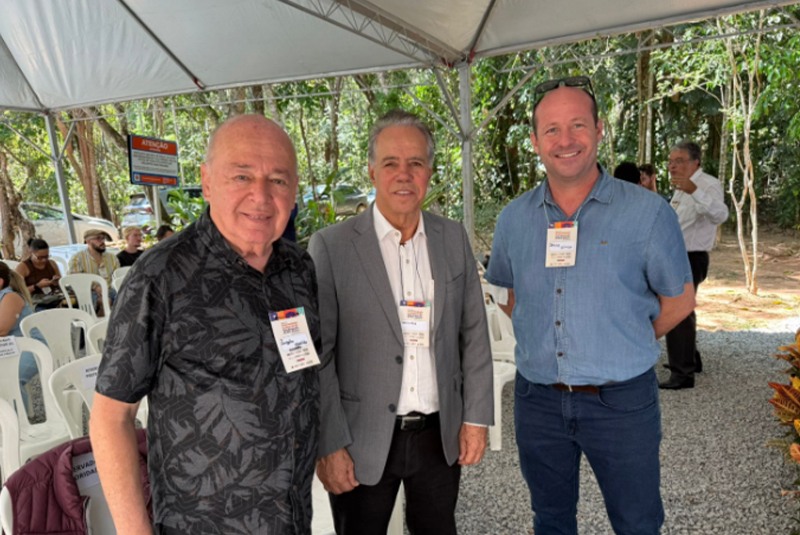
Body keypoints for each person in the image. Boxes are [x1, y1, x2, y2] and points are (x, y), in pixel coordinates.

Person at [90, 114, 320, 535]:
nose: (261, 196)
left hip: (292, 518)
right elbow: (110, 418)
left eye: (278, 180)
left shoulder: (299, 269)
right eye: (242, 176)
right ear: (207, 181)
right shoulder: (160, 276)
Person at [485, 77, 695, 535]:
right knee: (551, 522)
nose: (565, 140)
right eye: (552, 129)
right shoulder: (513, 219)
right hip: (538, 402)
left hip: (623, 402)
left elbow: (680, 300)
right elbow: (509, 296)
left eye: (578, 125)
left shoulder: (648, 213)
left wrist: (625, 337)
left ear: (599, 129)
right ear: (535, 141)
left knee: (637, 523)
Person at [309, 109, 493, 535]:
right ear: (372, 171)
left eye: (416, 163)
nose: (404, 174)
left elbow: (474, 335)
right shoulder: (332, 247)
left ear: (430, 171)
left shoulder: (452, 238)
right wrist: (329, 443)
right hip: (361, 439)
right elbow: (320, 356)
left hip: (438, 436)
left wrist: (476, 418)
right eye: (391, 163)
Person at [660, 140, 729, 390]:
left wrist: (695, 191)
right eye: (670, 162)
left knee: (678, 312)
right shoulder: (680, 188)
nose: (672, 167)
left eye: (679, 161)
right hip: (675, 255)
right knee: (681, 309)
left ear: (695, 162)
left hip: (692, 257)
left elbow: (721, 215)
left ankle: (683, 374)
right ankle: (689, 359)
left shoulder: (707, 184)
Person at [0, 261, 47, 412]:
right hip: (9, 348)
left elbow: (1, 330)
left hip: (31, 348)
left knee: (8, 379)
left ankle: (18, 420)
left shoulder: (9, 297)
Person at [68, 229, 119, 310]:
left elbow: (117, 277)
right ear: (88, 241)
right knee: (106, 301)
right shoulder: (77, 258)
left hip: (110, 289)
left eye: (103, 238)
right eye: (98, 239)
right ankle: (101, 317)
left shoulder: (112, 257)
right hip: (89, 292)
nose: (102, 241)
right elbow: (75, 280)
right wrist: (94, 287)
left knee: (129, 297)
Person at [15, 238, 64, 310]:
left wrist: (57, 282)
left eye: (46, 256)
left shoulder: (52, 263)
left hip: (55, 298)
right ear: (31, 253)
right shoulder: (23, 267)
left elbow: (61, 283)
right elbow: (17, 291)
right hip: (36, 302)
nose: (44, 260)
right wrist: (37, 286)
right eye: (40, 257)